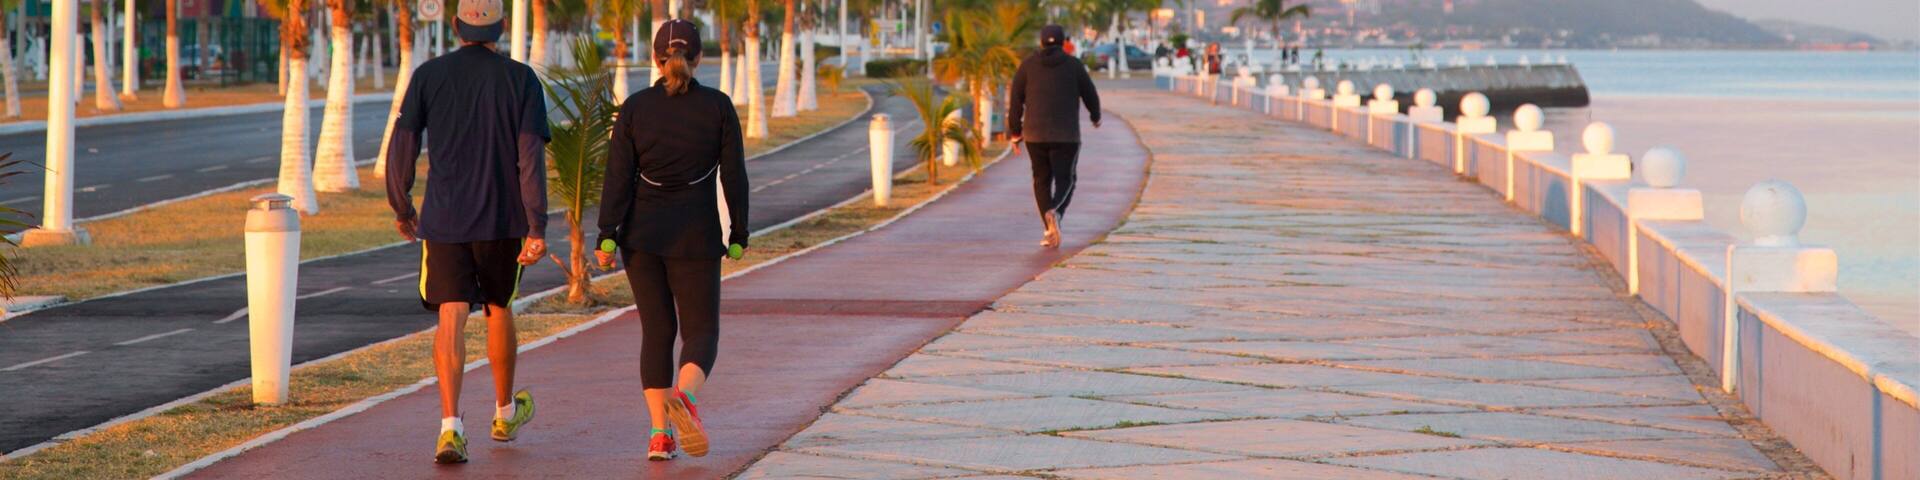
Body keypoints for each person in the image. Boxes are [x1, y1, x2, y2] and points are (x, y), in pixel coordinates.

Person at [384, 0, 548, 465]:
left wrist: (402, 206)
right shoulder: (521, 79)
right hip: (503, 220)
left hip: (445, 220)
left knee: (451, 315)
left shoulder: (429, 76)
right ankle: (503, 412)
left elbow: (403, 146)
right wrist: (536, 224)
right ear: (500, 27)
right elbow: (530, 158)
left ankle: (450, 428)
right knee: (499, 308)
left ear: (456, 26)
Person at [595, 18, 750, 462]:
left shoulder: (636, 107)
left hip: (640, 239)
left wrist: (607, 235)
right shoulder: (718, 107)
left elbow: (617, 176)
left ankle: (660, 435)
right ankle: (685, 400)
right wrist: (738, 233)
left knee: (657, 332)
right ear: (699, 58)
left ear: (655, 60)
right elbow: (734, 177)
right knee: (701, 332)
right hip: (696, 237)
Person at [1007, 24, 1100, 248]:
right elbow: (1090, 93)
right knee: (1066, 179)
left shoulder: (1027, 66)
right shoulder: (1074, 65)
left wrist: (1015, 132)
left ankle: (1049, 229)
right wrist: (1095, 116)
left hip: (1034, 135)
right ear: (1063, 42)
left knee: (1041, 179)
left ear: (1040, 42)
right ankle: (1055, 214)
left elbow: (1015, 101)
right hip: (1066, 135)